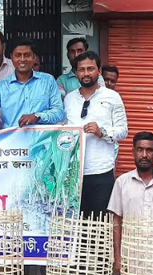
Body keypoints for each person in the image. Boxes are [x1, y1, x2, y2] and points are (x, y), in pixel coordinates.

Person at [64, 51, 128, 217]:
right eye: (81, 69)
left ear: (99, 71)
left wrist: (102, 132)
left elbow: (123, 131)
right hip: (73, 173)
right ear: (76, 73)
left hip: (101, 171)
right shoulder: (69, 99)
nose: (86, 73)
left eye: (90, 69)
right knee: (74, 222)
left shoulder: (112, 97)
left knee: (98, 223)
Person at [108, 131, 153, 275]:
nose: (144, 155)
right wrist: (117, 257)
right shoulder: (122, 182)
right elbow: (116, 221)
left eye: (149, 150)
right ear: (133, 152)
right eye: (140, 150)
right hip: (131, 259)